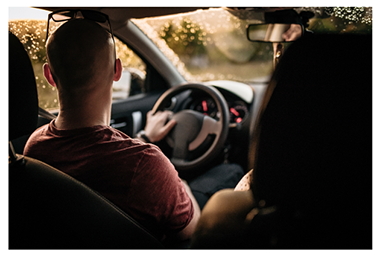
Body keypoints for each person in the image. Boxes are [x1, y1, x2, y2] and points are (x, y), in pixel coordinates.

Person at [24, 14, 243, 243]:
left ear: (49, 75)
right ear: (117, 70)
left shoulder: (33, 148)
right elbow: (193, 232)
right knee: (231, 172)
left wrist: (145, 137)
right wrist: (182, 186)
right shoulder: (146, 164)